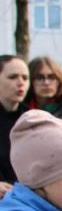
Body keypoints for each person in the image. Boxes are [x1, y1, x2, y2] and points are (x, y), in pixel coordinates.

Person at [0, 55, 30, 200]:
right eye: (13, 77)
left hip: (24, 201)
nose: (20, 83)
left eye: (25, 78)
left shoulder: (33, 120)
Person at [26, 56, 62, 129]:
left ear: (59, 81)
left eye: (51, 77)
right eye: (40, 77)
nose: (46, 82)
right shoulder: (21, 110)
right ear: (31, 81)